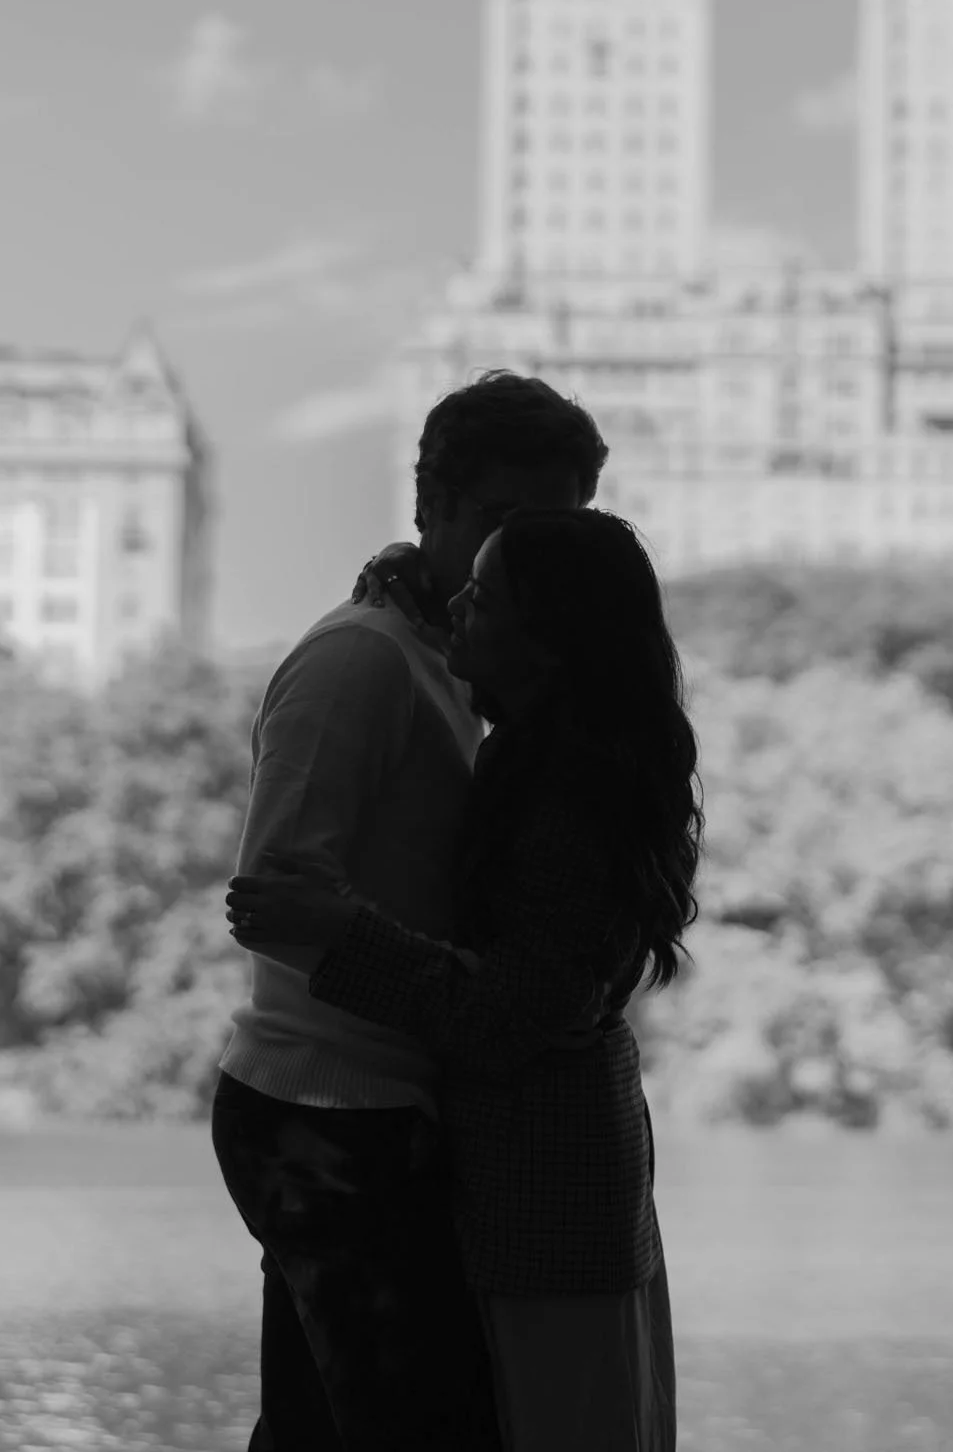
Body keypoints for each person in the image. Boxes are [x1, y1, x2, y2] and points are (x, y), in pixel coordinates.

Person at [228, 506, 701, 1452]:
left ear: (549, 644)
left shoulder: (569, 792)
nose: (452, 610)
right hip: (544, 1186)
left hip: (547, 1201)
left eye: (480, 600)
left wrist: (337, 936)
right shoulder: (553, 750)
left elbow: (521, 1010)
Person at [210, 369, 609, 1452]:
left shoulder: (457, 663)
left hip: (376, 1109)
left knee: (313, 1431)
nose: (515, 558)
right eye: (498, 521)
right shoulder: (358, 660)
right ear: (429, 499)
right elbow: (276, 897)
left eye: (548, 532)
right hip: (327, 1111)